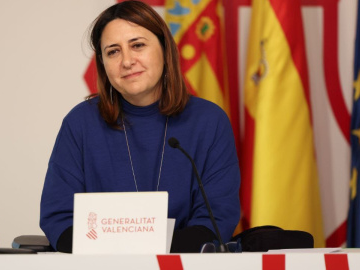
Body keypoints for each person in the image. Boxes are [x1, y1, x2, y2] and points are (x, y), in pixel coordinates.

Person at [40, 0, 240, 253]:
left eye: (138, 45)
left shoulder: (209, 121)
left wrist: (141, 252)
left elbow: (215, 221)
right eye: (113, 51)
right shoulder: (80, 123)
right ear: (102, 63)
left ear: (165, 50)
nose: (127, 61)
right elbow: (59, 219)